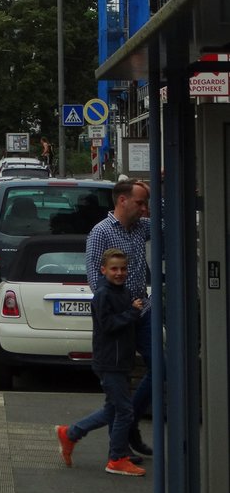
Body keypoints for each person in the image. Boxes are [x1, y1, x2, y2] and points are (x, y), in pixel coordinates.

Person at [57, 248, 146, 476]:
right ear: (103, 270)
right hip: (110, 362)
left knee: (112, 410)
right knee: (125, 411)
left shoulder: (121, 291)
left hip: (120, 360)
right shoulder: (104, 294)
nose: (119, 273)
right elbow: (107, 326)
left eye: (123, 269)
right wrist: (132, 313)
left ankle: (71, 434)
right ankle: (116, 458)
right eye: (114, 269)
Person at [85, 177, 153, 457]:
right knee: (118, 389)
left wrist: (157, 187)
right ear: (122, 201)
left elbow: (168, 223)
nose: (145, 208)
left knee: (161, 367)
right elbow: (94, 276)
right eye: (140, 202)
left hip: (143, 311)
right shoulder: (101, 232)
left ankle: (130, 422)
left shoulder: (141, 227)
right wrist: (122, 309)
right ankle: (120, 445)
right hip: (122, 316)